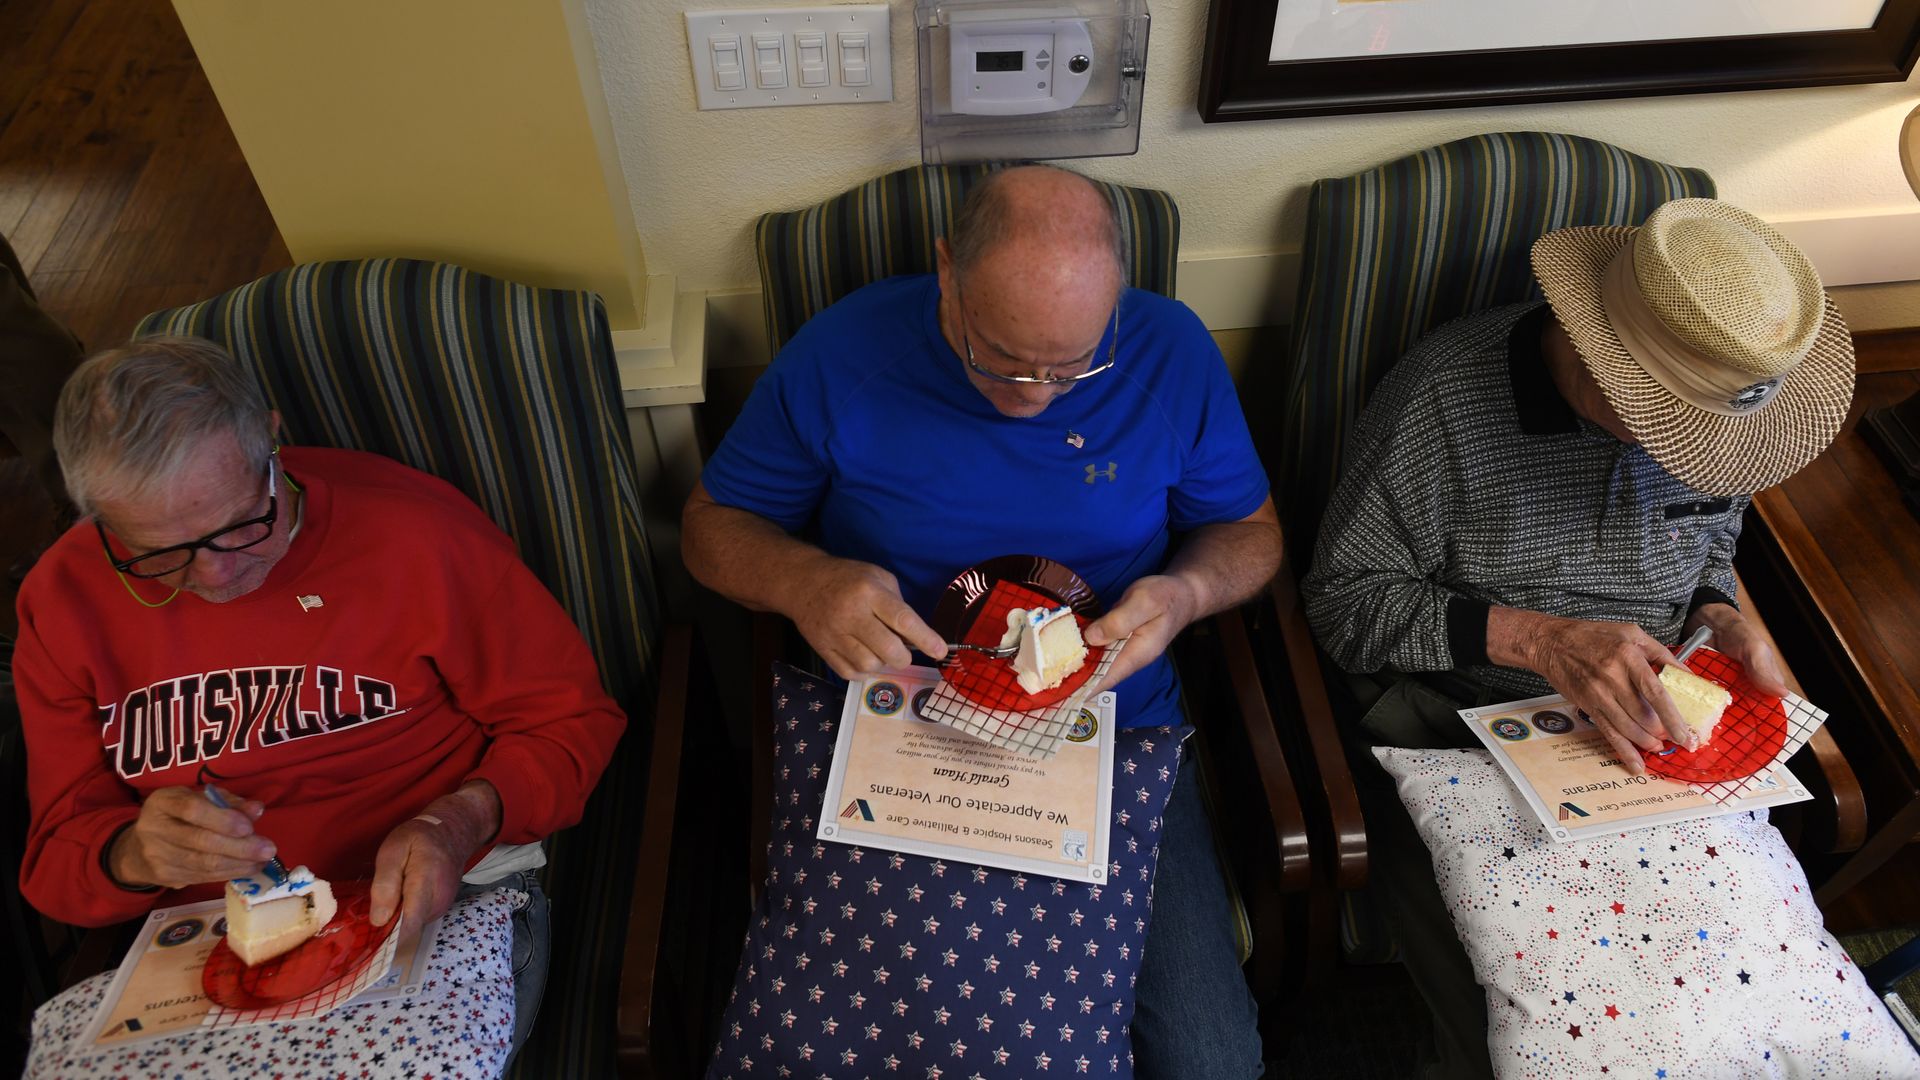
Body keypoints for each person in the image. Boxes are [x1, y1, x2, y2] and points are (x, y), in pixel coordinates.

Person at [682, 164, 1282, 1077]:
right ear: (946, 274)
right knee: (883, 1042)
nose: (1036, 394)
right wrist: (804, 580)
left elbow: (1250, 533)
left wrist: (1188, 593)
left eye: (1074, 366)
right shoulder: (844, 353)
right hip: (907, 721)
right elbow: (711, 526)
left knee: (1209, 1059)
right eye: (999, 357)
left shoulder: (1170, 352)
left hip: (1112, 723)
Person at [1302, 197, 1855, 1077]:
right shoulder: (1443, 398)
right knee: (1556, 1040)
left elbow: (1711, 537)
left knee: (1767, 1016)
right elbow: (1342, 604)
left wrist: (1721, 612)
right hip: (1462, 733)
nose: (1698, 454)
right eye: (1676, 429)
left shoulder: (1725, 421)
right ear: (1601, 363)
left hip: (1664, 742)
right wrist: (1543, 641)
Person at [16, 336, 628, 1055]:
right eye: (158, 555)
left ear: (271, 441)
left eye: (242, 526)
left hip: (435, 890)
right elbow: (57, 862)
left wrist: (460, 820)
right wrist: (131, 854)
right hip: (216, 933)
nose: (215, 577)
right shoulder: (62, 600)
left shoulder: (416, 536)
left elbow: (572, 720)